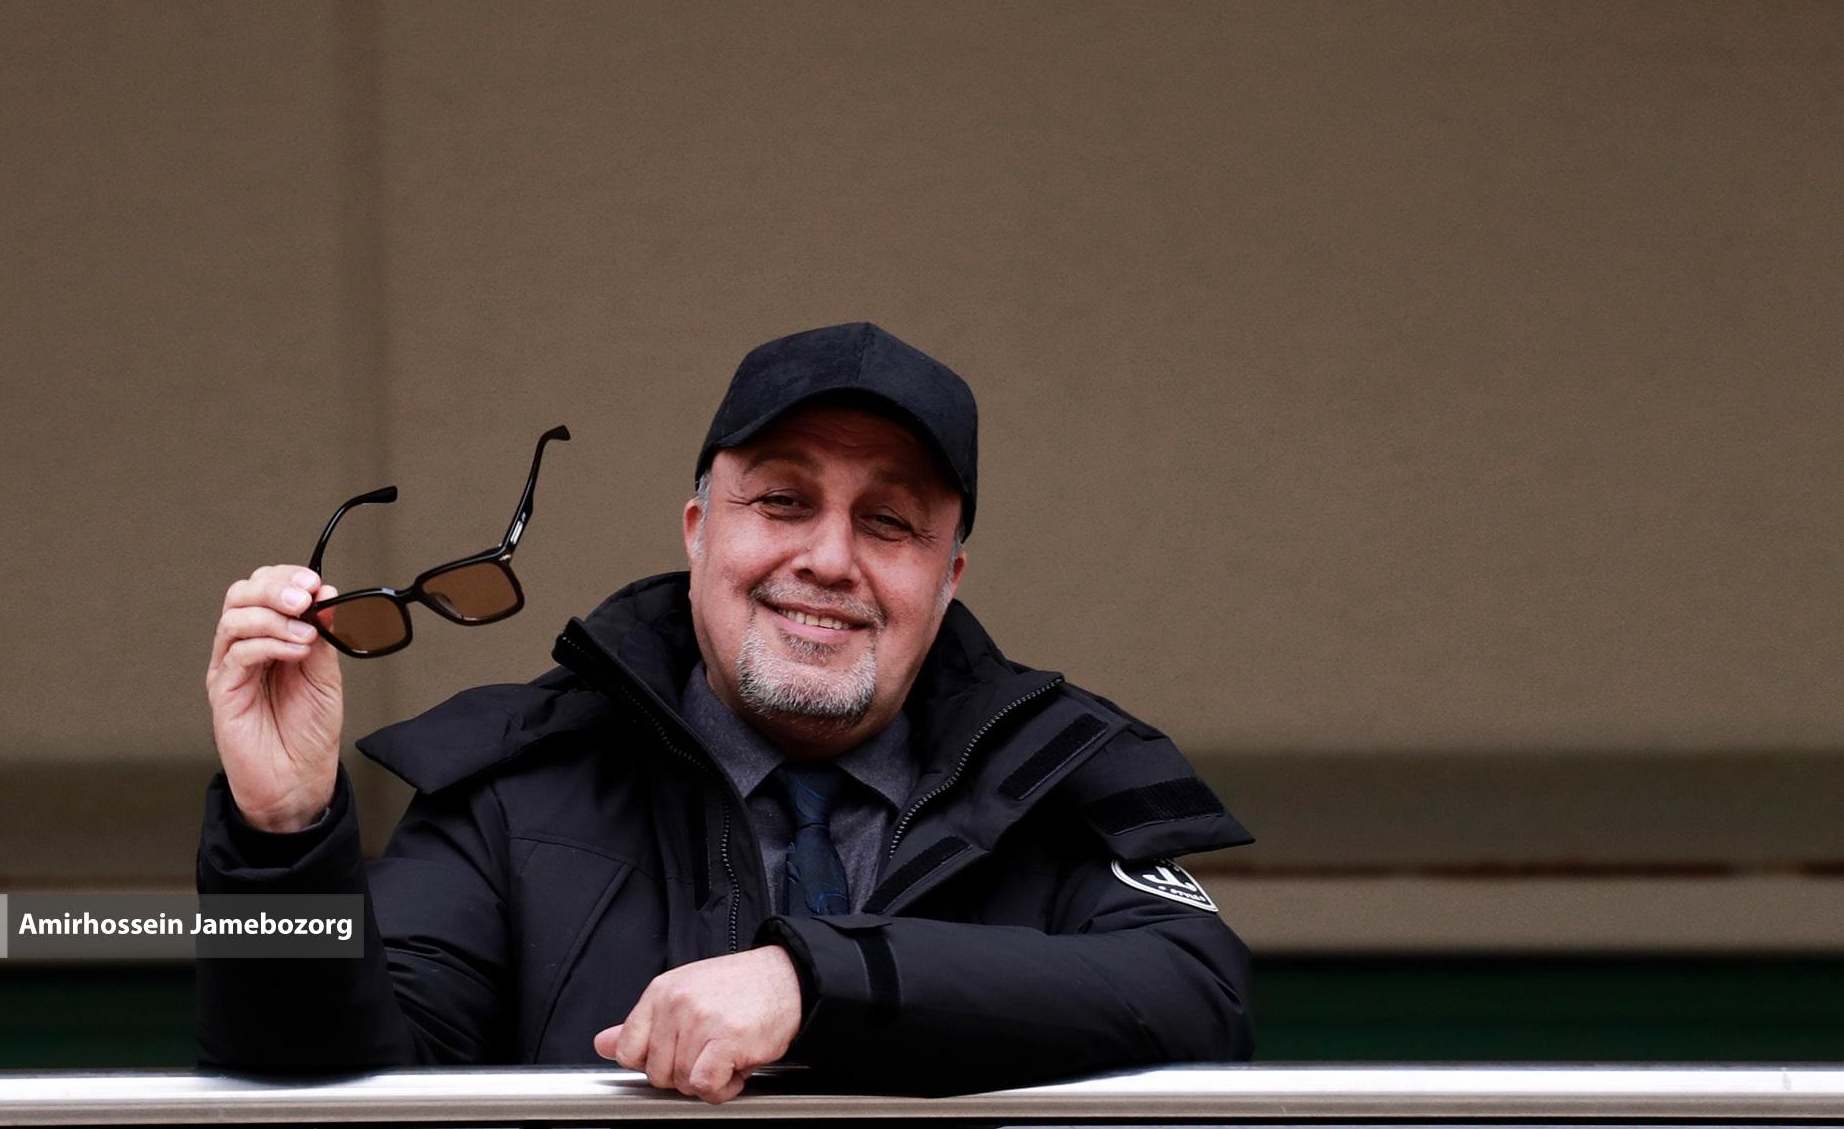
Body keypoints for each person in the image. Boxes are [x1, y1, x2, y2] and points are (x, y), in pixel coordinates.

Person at [196, 322, 1255, 1101]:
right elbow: (325, 1100)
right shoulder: (514, 792)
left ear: (948, 579)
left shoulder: (1046, 779)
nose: (828, 558)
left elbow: (1197, 997)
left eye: (889, 521)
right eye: (783, 500)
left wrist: (815, 980)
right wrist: (280, 839)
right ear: (698, 529)